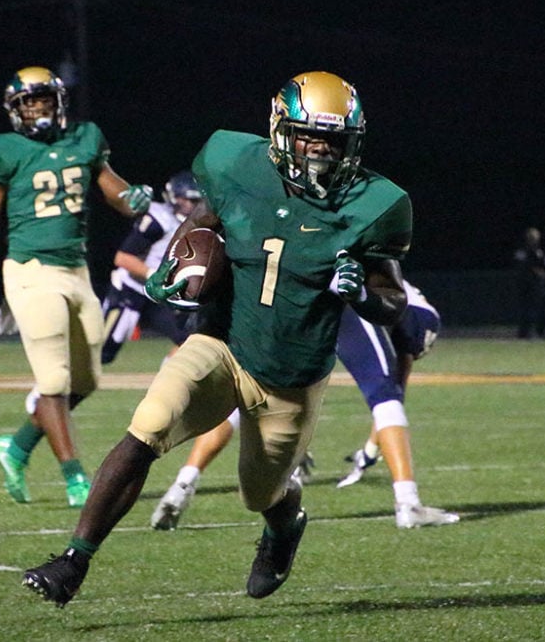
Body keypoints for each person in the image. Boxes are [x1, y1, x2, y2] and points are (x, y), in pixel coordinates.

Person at [23, 70, 413, 606]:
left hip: (291, 375)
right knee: (149, 425)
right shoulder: (234, 161)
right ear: (281, 129)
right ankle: (74, 560)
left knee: (262, 493)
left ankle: (284, 526)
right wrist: (174, 263)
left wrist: (364, 297)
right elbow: (209, 217)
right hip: (221, 342)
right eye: (308, 136)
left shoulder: (378, 204)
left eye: (332, 141)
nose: (319, 151)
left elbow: (392, 301)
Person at [0, 65, 153, 508]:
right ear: (15, 110)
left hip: (76, 271)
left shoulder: (84, 138)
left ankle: (15, 447)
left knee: (85, 380)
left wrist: (135, 197)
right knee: (53, 379)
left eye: (45, 100)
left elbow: (115, 192)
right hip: (30, 271)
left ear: (59, 102)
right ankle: (76, 479)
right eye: (30, 102)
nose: (39, 109)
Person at [149, 279, 459, 531]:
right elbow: (394, 392)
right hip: (345, 299)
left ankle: (183, 484)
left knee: (249, 392)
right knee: (384, 397)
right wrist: (370, 450)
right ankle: (408, 502)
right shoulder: (423, 317)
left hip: (288, 300)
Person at [99, 170, 202, 365]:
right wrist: (155, 275)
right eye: (192, 201)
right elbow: (123, 258)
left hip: (159, 295)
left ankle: (167, 386)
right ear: (176, 199)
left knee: (190, 340)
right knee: (102, 353)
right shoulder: (159, 220)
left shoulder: (197, 226)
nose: (196, 207)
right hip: (131, 290)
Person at [513, 226, 545, 338]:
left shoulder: (520, 252)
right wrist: (543, 275)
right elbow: (536, 268)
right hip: (532, 284)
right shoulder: (536, 252)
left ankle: (522, 332)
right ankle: (530, 332)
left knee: (524, 308)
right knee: (532, 308)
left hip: (521, 284)